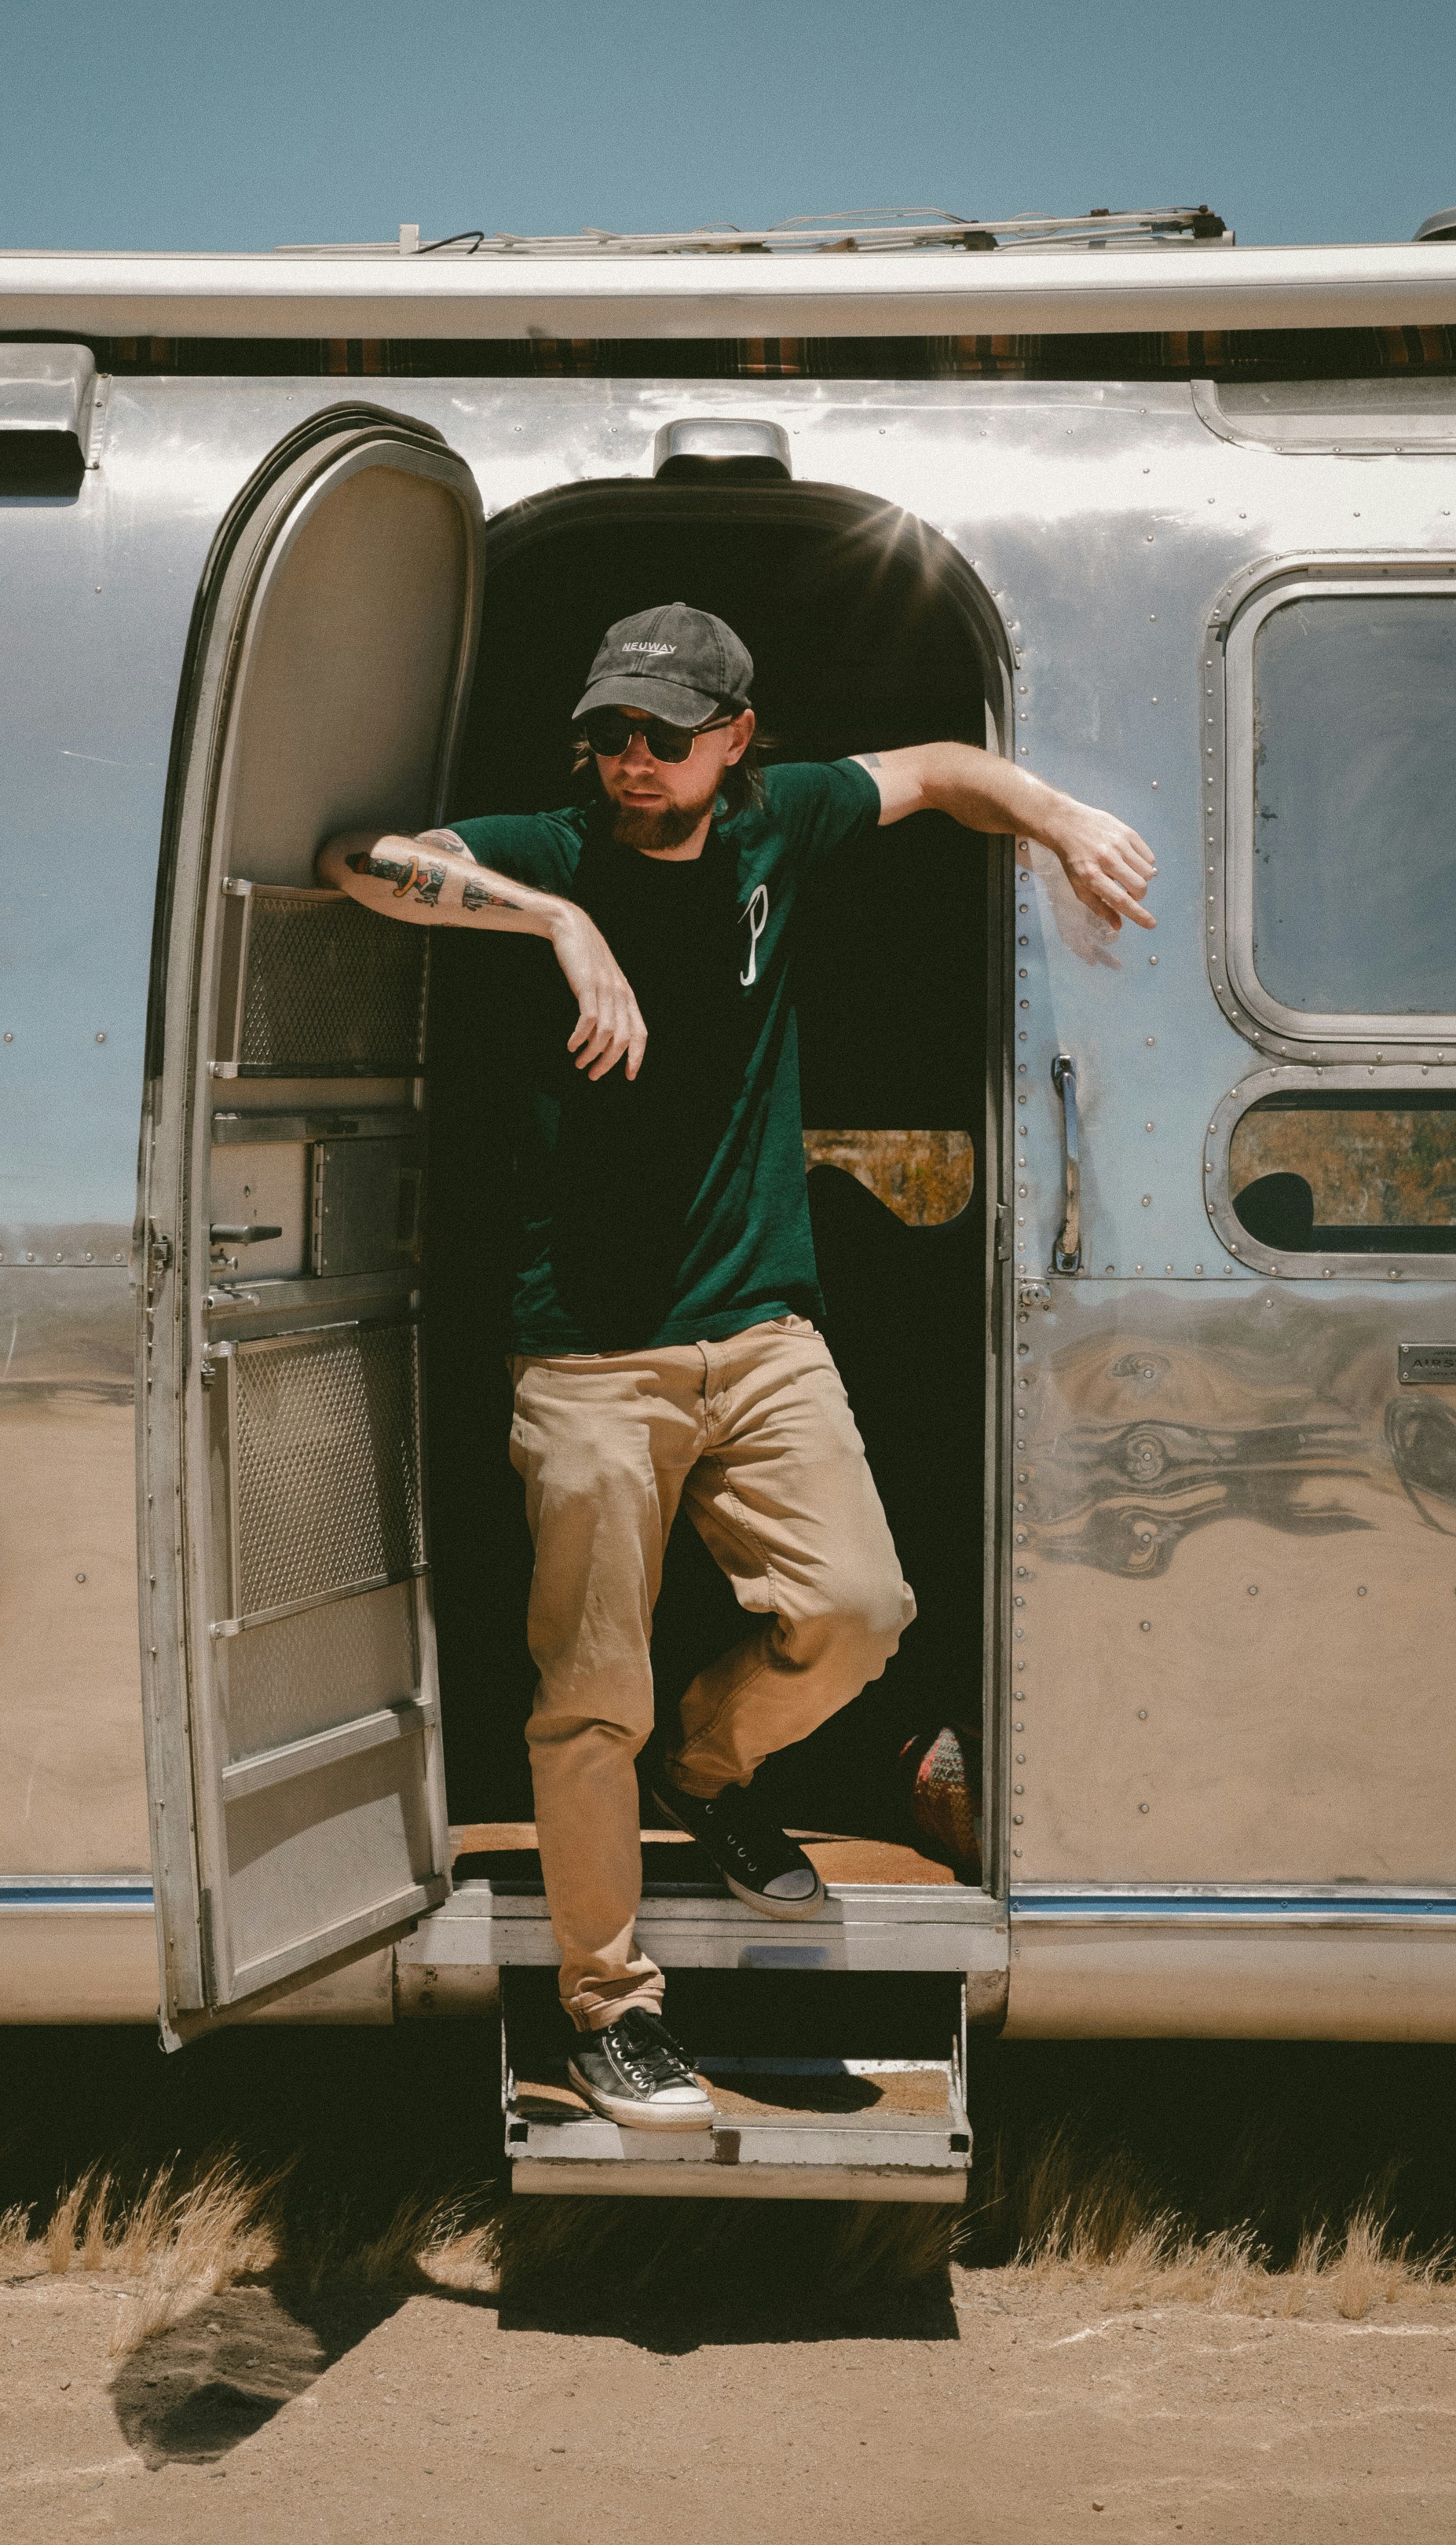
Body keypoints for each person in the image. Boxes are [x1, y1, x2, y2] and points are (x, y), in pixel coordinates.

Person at [320, 602, 1154, 2129]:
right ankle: (609, 2007)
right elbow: (353, 862)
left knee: (855, 1614)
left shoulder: (786, 818)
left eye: (662, 734)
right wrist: (552, 922)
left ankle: (708, 1775)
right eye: (607, 734)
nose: (628, 761)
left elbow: (940, 767)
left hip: (764, 1335)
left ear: (737, 740)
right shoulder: (554, 849)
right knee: (588, 1700)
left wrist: (1057, 816)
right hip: (586, 1360)